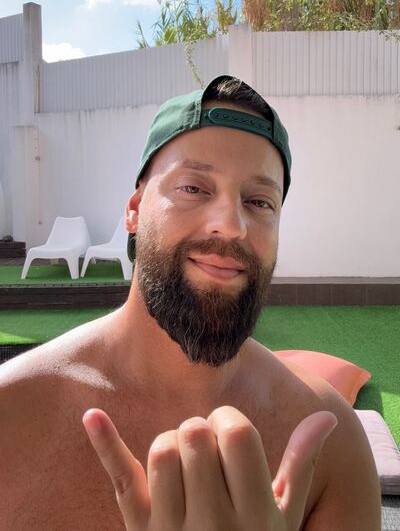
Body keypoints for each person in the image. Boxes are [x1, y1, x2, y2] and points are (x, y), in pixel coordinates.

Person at [0, 75, 380, 530]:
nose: (231, 224)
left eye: (259, 201)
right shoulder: (11, 413)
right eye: (193, 188)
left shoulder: (332, 441)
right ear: (134, 210)